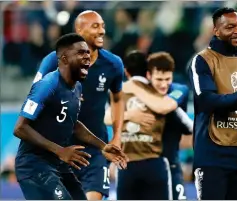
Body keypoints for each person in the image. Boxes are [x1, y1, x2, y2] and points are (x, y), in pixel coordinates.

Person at [13, 33, 128, 200]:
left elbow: (73, 124)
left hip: (58, 164)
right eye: (81, 53)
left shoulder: (77, 88)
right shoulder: (47, 85)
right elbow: (20, 128)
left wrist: (103, 146)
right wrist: (60, 151)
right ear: (64, 59)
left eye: (88, 53)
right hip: (34, 165)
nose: (87, 57)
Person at [188, 7, 237, 200]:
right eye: (230, 27)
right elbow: (207, 101)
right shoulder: (202, 60)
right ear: (216, 31)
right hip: (213, 158)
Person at [112, 51, 190, 200]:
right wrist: (129, 115)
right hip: (147, 163)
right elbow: (108, 117)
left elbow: (163, 106)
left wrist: (133, 86)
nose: (163, 84)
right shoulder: (145, 93)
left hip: (170, 164)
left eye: (167, 79)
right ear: (149, 76)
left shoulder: (179, 90)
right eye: (159, 79)